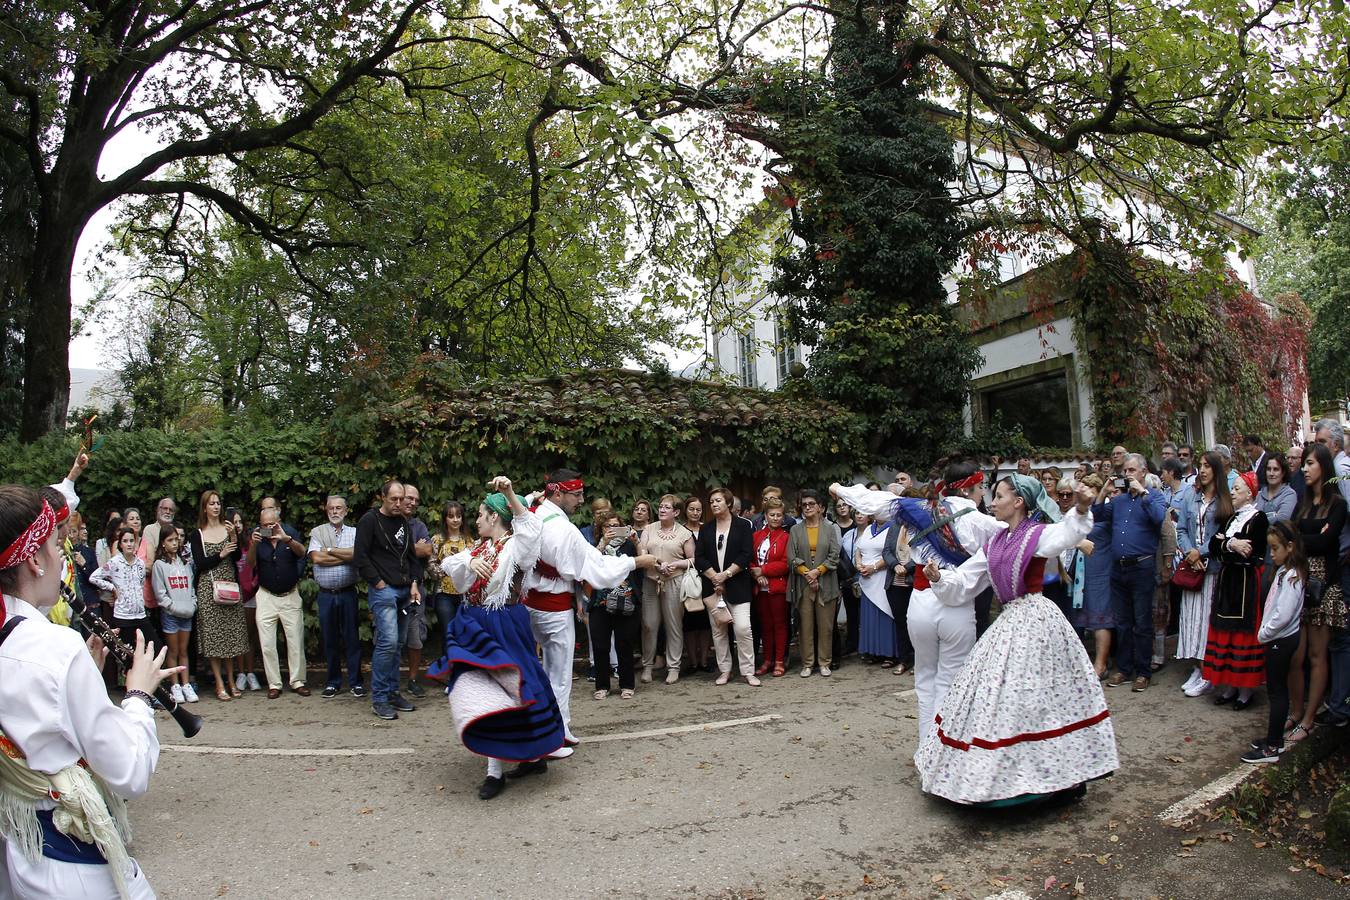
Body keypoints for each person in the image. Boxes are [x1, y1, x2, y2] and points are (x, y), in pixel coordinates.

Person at [0, 484, 182, 898]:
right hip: (72, 868)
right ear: (33, 561)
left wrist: (83, 681)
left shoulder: (22, 641)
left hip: (21, 855)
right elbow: (128, 772)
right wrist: (137, 695)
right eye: (54, 545)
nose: (61, 556)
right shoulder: (55, 649)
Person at [918, 474, 1116, 804]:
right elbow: (965, 582)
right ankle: (1005, 778)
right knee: (1001, 699)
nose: (992, 502)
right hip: (1009, 623)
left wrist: (1081, 509)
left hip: (1038, 623)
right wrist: (940, 578)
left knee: (1042, 701)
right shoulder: (994, 543)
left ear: (1019, 502)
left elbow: (1067, 533)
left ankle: (1057, 778)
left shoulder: (1037, 536)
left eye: (999, 496)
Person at [833, 462, 1004, 744]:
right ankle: (944, 750)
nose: (983, 493)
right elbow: (1021, 538)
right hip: (956, 607)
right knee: (951, 680)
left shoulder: (917, 509)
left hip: (920, 604)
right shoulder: (981, 522)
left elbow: (875, 501)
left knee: (925, 681)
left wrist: (839, 489)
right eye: (982, 487)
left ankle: (927, 746)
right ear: (970, 488)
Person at [429, 477, 565, 800]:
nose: (475, 520)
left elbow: (529, 525)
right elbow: (450, 565)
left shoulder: (519, 545)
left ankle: (523, 760)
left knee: (514, 691)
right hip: (475, 622)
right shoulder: (479, 548)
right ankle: (503, 766)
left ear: (494, 517)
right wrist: (469, 560)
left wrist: (508, 493)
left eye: (479, 514)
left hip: (505, 621)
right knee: (489, 695)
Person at [524, 471, 656, 746]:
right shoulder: (564, 529)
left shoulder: (533, 513)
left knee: (539, 670)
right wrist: (636, 563)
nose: (582, 500)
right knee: (558, 675)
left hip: (531, 605)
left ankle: (547, 727)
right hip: (554, 608)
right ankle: (557, 730)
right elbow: (596, 566)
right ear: (558, 493)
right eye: (577, 495)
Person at [1286, 443, 1348, 743]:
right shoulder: (1303, 502)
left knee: (1316, 654)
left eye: (1310, 463)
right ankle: (1296, 711)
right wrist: (1312, 536)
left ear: (1323, 465)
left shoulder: (1337, 503)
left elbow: (1327, 544)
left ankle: (1309, 719)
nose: (1305, 468)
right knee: (1296, 654)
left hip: (1323, 589)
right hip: (1299, 585)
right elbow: (1291, 538)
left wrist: (1302, 539)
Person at [1095, 453, 1170, 692]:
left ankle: (1143, 671)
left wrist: (1143, 493)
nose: (1127, 475)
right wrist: (1104, 492)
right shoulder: (1119, 501)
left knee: (1142, 622)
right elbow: (1097, 516)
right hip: (1119, 569)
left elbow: (1159, 519)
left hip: (1142, 566)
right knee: (1123, 622)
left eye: (1131, 470)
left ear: (1143, 472)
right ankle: (1124, 669)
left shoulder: (1156, 496)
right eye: (1125, 471)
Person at [1201, 470, 1268, 709]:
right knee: (1224, 631)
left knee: (1242, 633)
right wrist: (1232, 543)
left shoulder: (1258, 519)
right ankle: (1229, 686)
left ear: (1250, 494)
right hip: (1228, 580)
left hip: (1245, 583)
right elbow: (1213, 544)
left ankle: (1245, 691)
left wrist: (1225, 545)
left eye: (1238, 489)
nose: (1232, 492)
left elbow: (1251, 553)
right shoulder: (1230, 519)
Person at [352, 480, 419, 721]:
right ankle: (379, 698)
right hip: (384, 591)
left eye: (402, 499)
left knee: (398, 644)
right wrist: (379, 583)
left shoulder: (403, 521)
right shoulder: (369, 521)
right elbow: (360, 557)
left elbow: (411, 556)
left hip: (404, 591)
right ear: (382, 497)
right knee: (388, 643)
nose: (399, 504)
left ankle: (393, 692)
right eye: (394, 499)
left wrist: (414, 583)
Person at [1243, 522, 1307, 763]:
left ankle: (1272, 746)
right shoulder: (1284, 571)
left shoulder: (1292, 576)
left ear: (1290, 547)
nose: (1272, 554)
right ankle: (1273, 738)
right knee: (1276, 690)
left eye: (1275, 548)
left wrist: (1265, 633)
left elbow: (1283, 613)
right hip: (1277, 638)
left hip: (1282, 639)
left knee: (1278, 692)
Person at [1176, 452, 1229, 697]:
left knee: (1206, 622)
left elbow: (1224, 535)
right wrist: (1190, 553)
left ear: (1217, 470)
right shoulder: (1191, 496)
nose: (1203, 470)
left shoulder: (1224, 500)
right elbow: (1182, 529)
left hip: (1213, 569)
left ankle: (1209, 672)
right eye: (1200, 466)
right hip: (1192, 567)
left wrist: (1201, 553)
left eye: (1207, 466)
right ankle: (1198, 668)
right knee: (1191, 620)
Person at [695, 486, 758, 686]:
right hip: (712, 587)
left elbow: (746, 554)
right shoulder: (705, 529)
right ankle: (725, 670)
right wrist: (715, 577)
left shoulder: (744, 526)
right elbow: (700, 558)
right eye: (712, 501)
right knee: (719, 630)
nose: (714, 504)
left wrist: (726, 574)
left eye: (718, 500)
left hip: (738, 584)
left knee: (743, 628)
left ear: (729, 503)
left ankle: (748, 671)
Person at [248, 505, 310, 699]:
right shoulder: (258, 540)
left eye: (272, 524)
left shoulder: (288, 535)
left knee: (295, 641)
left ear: (279, 522)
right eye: (264, 524)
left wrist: (287, 539)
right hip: (266, 595)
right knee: (267, 644)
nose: (269, 528)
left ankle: (298, 681)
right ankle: (274, 684)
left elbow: (302, 553)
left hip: (290, 595)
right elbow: (251, 564)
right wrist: (253, 545)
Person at [191, 491, 245, 702]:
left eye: (218, 503)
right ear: (204, 508)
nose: (216, 506)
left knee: (230, 635)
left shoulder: (227, 527)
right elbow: (200, 563)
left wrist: (233, 538)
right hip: (209, 587)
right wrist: (219, 554)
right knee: (214, 638)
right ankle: (219, 682)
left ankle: (231, 680)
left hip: (229, 585)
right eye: (211, 503)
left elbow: (238, 557)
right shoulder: (198, 534)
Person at [308, 495, 363, 698]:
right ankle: (332, 682)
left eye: (339, 508)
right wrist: (343, 556)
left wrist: (329, 550)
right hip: (326, 595)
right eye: (331, 508)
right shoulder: (318, 532)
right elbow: (316, 558)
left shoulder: (355, 532)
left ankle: (356, 682)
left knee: (352, 639)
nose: (334, 511)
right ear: (326, 510)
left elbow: (356, 555)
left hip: (348, 592)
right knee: (329, 639)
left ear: (346, 511)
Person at [637, 494, 695, 685]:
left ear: (676, 512)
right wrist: (655, 563)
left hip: (674, 582)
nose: (662, 510)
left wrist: (676, 564)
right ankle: (648, 666)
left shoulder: (684, 533)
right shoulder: (648, 528)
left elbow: (693, 560)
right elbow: (642, 552)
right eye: (660, 506)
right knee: (649, 624)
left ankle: (673, 667)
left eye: (667, 507)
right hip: (651, 581)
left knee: (674, 626)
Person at [788, 489, 841, 678]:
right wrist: (807, 573)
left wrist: (818, 572)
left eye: (812, 504)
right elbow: (791, 557)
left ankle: (825, 662)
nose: (808, 507)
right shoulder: (795, 530)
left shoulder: (830, 528)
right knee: (805, 626)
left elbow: (835, 556)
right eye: (804, 504)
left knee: (826, 626)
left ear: (820, 507)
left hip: (826, 583)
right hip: (803, 585)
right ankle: (808, 664)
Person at [588, 513, 641, 699]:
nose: (611, 529)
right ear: (601, 529)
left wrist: (636, 541)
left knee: (624, 644)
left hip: (625, 601)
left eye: (616, 525)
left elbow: (643, 562)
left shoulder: (628, 546)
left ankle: (627, 685)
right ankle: (602, 686)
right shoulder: (595, 547)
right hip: (600, 602)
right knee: (600, 646)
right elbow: (590, 564)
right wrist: (603, 542)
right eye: (607, 526)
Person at [1069, 475, 1115, 677]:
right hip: (1081, 571)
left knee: (1100, 617)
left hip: (1101, 568)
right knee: (1084, 615)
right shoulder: (1079, 512)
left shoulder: (1105, 510)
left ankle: (1101, 664)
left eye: (1089, 489)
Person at [151, 526, 198, 704]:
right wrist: (172, 607)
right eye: (170, 540)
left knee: (184, 650)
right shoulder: (159, 565)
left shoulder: (185, 563)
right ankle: (175, 685)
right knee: (173, 651)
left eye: (176, 539)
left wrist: (192, 605)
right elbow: (160, 594)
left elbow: (192, 588)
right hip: (171, 613)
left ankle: (186, 684)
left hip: (186, 612)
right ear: (163, 543)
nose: (174, 543)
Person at [855, 507, 901, 670]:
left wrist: (874, 567)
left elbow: (892, 552)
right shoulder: (869, 528)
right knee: (870, 615)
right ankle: (873, 650)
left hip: (882, 575)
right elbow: (859, 549)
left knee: (885, 612)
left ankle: (889, 652)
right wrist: (859, 564)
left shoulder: (895, 527)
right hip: (866, 577)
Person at [750, 498, 791, 677]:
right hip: (760, 588)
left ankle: (780, 660)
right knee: (765, 625)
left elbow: (786, 563)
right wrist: (756, 574)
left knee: (780, 624)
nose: (775, 518)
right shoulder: (756, 536)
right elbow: (749, 559)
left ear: (783, 517)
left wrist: (764, 570)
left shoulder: (786, 537)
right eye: (772, 515)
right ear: (765, 516)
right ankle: (767, 659)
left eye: (779, 515)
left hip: (778, 587)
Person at [401, 484, 434, 698]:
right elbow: (418, 549)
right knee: (389, 638)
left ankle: (412, 679)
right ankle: (390, 681)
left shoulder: (419, 525)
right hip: (390, 588)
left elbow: (427, 549)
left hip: (416, 590)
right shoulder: (385, 522)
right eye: (408, 498)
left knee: (415, 637)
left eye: (416, 499)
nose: (412, 502)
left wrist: (399, 551)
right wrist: (414, 547)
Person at [427, 500, 469, 667]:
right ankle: (448, 670)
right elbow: (431, 564)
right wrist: (447, 571)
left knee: (463, 632)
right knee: (447, 632)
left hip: (464, 594)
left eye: (458, 516)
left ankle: (462, 670)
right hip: (443, 593)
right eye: (451, 516)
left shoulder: (469, 540)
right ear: (445, 519)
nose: (455, 520)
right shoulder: (437, 540)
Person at [225, 507, 262, 693]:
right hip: (230, 594)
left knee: (250, 636)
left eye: (240, 522)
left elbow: (252, 564)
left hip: (250, 592)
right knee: (236, 636)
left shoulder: (250, 541)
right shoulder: (226, 543)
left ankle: (250, 672)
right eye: (234, 522)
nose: (238, 526)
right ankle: (240, 673)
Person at [881, 508, 918, 674]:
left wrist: (907, 567)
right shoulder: (894, 526)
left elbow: (924, 553)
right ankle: (904, 660)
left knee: (917, 623)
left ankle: (919, 660)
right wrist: (895, 565)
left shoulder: (921, 526)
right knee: (901, 623)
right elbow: (886, 551)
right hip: (895, 582)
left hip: (914, 582)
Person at [681, 496, 712, 671]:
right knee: (690, 622)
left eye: (698, 509)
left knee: (706, 623)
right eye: (691, 509)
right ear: (686, 510)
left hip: (707, 579)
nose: (695, 512)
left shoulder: (707, 529)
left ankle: (705, 660)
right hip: (689, 581)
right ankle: (692, 662)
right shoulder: (681, 530)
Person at [834, 499, 861, 660]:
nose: (842, 508)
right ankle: (850, 643)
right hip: (841, 575)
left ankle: (860, 642)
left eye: (845, 505)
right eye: (838, 505)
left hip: (859, 575)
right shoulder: (834, 527)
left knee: (860, 611)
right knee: (848, 611)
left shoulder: (856, 526)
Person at [1256, 453, 1297, 528]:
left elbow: (1282, 519)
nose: (1271, 473)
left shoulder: (1289, 494)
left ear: (1283, 472)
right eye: (1268, 469)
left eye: (1276, 469)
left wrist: (1257, 522)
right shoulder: (1258, 495)